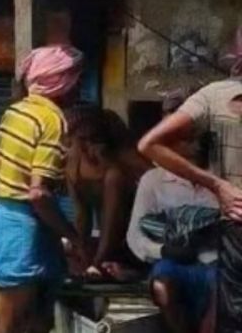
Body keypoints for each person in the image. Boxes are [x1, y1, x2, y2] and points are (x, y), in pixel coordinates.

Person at [0, 45, 89, 333]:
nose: (79, 88)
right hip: (25, 229)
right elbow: (38, 193)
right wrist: (72, 236)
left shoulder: (15, 112)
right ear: (60, 83)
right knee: (15, 324)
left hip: (9, 221)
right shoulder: (53, 120)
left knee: (33, 322)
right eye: (76, 80)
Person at [140, 76, 242, 332]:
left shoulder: (216, 96)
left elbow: (149, 143)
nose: (190, 144)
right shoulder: (153, 181)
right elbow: (137, 236)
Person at [126, 132, 219, 333]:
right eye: (187, 138)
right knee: (163, 286)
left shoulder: (226, 179)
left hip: (218, 263)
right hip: (173, 262)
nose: (197, 145)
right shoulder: (154, 180)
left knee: (222, 293)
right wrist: (164, 250)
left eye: (200, 138)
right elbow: (135, 236)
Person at [65, 107, 152, 278]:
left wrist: (96, 262)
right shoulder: (73, 166)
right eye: (80, 140)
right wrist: (81, 248)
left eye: (92, 139)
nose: (86, 146)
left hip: (132, 240)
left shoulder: (118, 166)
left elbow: (112, 221)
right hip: (106, 240)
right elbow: (82, 216)